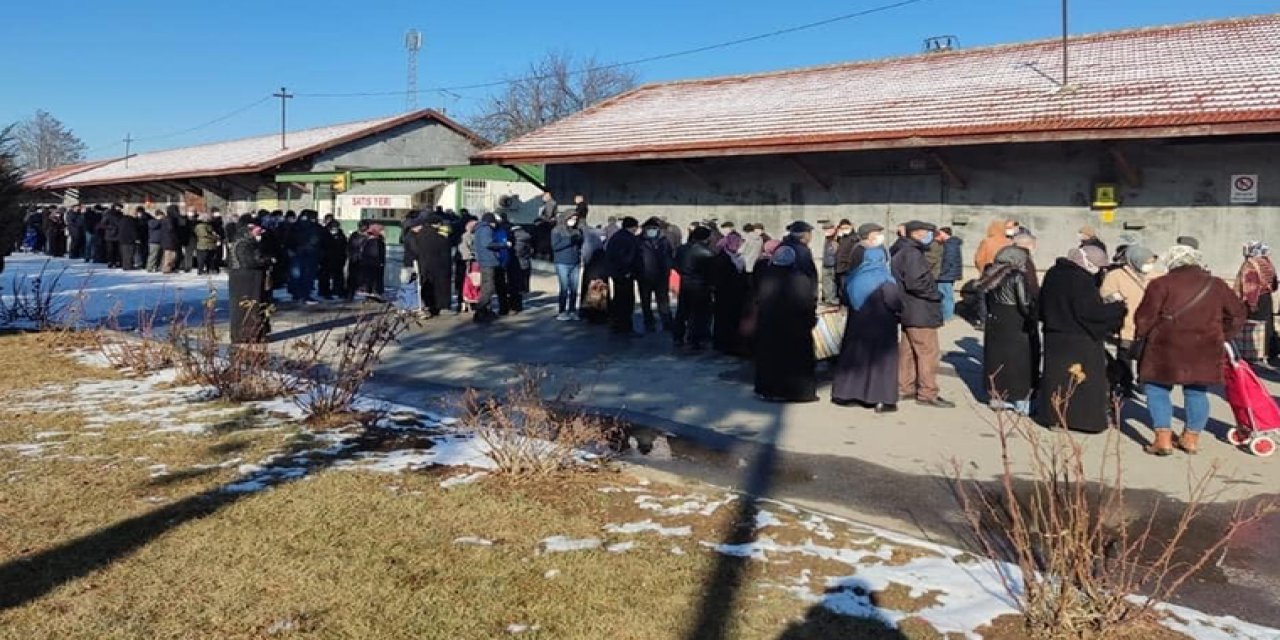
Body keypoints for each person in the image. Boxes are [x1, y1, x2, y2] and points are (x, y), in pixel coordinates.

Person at [1135, 245, 1245, 455]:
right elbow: (1238, 314)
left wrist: (1144, 334)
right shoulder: (1216, 285)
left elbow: (1144, 317)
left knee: (1157, 389)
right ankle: (1191, 438)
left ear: (1172, 262)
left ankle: (1163, 440)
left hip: (1165, 347)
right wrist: (1222, 335)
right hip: (1204, 348)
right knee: (1197, 392)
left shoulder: (1160, 284)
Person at [1036, 246, 1126, 433]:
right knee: (1084, 381)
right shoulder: (1081, 280)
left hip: (1055, 335)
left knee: (1057, 379)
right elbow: (1090, 313)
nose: (1099, 270)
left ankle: (1055, 418)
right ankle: (1084, 421)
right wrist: (1117, 308)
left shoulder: (1054, 273)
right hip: (1080, 339)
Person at [831, 226, 902, 412]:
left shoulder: (854, 278)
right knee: (881, 364)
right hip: (882, 328)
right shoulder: (885, 280)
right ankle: (881, 398)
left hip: (857, 325)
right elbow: (895, 302)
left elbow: (845, 297)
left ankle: (846, 394)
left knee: (854, 359)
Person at [892, 221, 954, 408]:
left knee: (908, 351)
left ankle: (905, 387)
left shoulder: (901, 250)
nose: (930, 236)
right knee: (928, 352)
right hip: (920, 309)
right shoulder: (912, 253)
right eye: (927, 232)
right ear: (917, 233)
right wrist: (935, 294)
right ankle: (928, 393)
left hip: (908, 308)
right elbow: (916, 282)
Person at [753, 245, 818, 403]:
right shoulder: (800, 279)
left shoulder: (767, 277)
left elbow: (759, 300)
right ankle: (799, 392)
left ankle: (769, 390)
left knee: (771, 360)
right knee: (796, 361)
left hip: (770, 327)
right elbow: (807, 304)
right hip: (796, 329)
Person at [978, 246, 1039, 415]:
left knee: (997, 359)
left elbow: (983, 297)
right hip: (1015, 321)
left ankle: (996, 397)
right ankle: (1021, 401)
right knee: (1020, 362)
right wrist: (1033, 316)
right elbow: (1023, 302)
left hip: (996, 320)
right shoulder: (1017, 275)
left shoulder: (991, 272)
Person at [1100, 245, 1158, 397]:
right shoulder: (1115, 275)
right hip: (1126, 323)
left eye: (1151, 261)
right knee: (1124, 356)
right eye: (1146, 261)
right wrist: (1116, 299)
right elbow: (1106, 296)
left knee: (1147, 357)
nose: (1149, 265)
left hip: (1151, 326)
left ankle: (1144, 382)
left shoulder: (1157, 276)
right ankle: (1125, 384)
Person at [227, 221, 272, 344]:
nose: (260, 235)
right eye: (257, 232)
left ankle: (254, 334)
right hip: (246, 280)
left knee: (252, 306)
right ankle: (248, 334)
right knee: (248, 307)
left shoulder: (245, 242)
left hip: (248, 279)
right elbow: (251, 261)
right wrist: (268, 260)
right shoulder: (243, 243)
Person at [1234, 242, 1278, 362]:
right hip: (1266, 298)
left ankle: (1255, 353)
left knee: (1254, 326)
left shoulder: (1251, 264)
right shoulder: (1267, 262)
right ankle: (1269, 352)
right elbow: (1274, 283)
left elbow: (1250, 285)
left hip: (1255, 299)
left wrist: (1252, 303)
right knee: (1267, 325)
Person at [673, 227, 716, 349]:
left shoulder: (682, 249)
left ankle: (678, 337)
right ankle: (695, 338)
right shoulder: (707, 253)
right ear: (705, 238)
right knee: (699, 313)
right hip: (700, 286)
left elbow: (675, 264)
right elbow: (711, 272)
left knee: (682, 312)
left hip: (685, 283)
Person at [403, 213, 454, 317]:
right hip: (440, 267)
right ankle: (441, 307)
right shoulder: (439, 236)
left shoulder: (419, 235)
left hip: (424, 266)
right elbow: (445, 248)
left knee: (426, 287)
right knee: (440, 288)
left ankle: (428, 306)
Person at [712, 231, 750, 355]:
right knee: (724, 320)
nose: (737, 245)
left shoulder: (738, 258)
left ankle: (732, 343)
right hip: (725, 295)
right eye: (734, 242)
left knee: (734, 320)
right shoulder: (721, 258)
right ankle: (723, 344)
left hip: (737, 296)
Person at [605, 217, 642, 335]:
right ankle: (625, 326)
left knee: (618, 299)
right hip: (625, 274)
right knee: (626, 301)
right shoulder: (628, 239)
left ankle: (616, 324)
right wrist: (628, 271)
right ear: (634, 227)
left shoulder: (616, 237)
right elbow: (628, 258)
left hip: (616, 273)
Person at [637, 217, 674, 332]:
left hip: (661, 276)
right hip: (644, 276)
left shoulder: (664, 241)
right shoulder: (638, 241)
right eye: (649, 228)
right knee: (645, 301)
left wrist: (667, 270)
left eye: (654, 228)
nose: (651, 230)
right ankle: (649, 322)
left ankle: (667, 322)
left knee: (663, 301)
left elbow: (669, 256)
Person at [472, 213, 507, 322]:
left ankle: (485, 311)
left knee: (486, 287)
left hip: (484, 260)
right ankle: (480, 310)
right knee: (489, 288)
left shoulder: (478, 229)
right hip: (489, 261)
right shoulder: (486, 229)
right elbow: (488, 244)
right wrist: (503, 245)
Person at [551, 212, 584, 320]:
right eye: (572, 218)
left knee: (574, 289)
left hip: (575, 262)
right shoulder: (556, 230)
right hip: (562, 262)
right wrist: (570, 240)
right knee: (564, 288)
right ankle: (562, 311)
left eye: (575, 219)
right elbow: (555, 246)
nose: (573, 221)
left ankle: (572, 310)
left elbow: (580, 246)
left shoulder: (577, 231)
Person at [287, 211, 322, 303]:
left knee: (296, 275)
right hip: (309, 253)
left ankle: (296, 294)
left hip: (296, 252)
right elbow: (317, 240)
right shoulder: (314, 227)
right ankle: (305, 295)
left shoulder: (295, 226)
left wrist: (290, 249)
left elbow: (288, 238)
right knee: (307, 275)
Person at [936, 226, 963, 322]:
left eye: (940, 233)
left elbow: (948, 260)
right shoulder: (951, 243)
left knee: (945, 295)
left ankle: (947, 316)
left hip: (946, 275)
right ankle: (947, 315)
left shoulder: (950, 244)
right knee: (946, 294)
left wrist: (941, 272)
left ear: (945, 233)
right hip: (949, 273)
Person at [318, 220, 348, 300]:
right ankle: (324, 291)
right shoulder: (324, 234)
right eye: (333, 227)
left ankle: (338, 291)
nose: (335, 229)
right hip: (326, 259)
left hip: (338, 259)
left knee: (338, 276)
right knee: (325, 276)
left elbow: (344, 246)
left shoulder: (341, 235)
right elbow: (321, 246)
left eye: (336, 227)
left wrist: (344, 256)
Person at [359, 224, 387, 301]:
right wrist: (379, 262)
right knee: (374, 280)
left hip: (370, 264)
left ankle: (370, 294)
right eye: (382, 230)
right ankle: (375, 294)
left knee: (370, 280)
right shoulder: (376, 242)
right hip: (374, 265)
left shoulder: (369, 241)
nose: (384, 232)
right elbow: (375, 254)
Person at [345, 220, 370, 300]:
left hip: (364, 260)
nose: (365, 229)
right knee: (352, 277)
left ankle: (363, 293)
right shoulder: (354, 235)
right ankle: (350, 294)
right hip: (355, 259)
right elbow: (349, 246)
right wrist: (351, 255)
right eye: (364, 227)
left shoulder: (368, 236)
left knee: (363, 278)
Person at [820, 223, 840, 305]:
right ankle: (827, 298)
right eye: (825, 229)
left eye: (828, 229)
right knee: (826, 283)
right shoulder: (827, 239)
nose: (826, 231)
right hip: (826, 263)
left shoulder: (837, 239)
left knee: (832, 283)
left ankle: (832, 299)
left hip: (833, 264)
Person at [160, 205, 183, 273]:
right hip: (170, 240)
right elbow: (171, 229)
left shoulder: (168, 218)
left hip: (169, 240)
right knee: (169, 255)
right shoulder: (170, 219)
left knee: (171, 255)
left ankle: (170, 268)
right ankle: (166, 269)